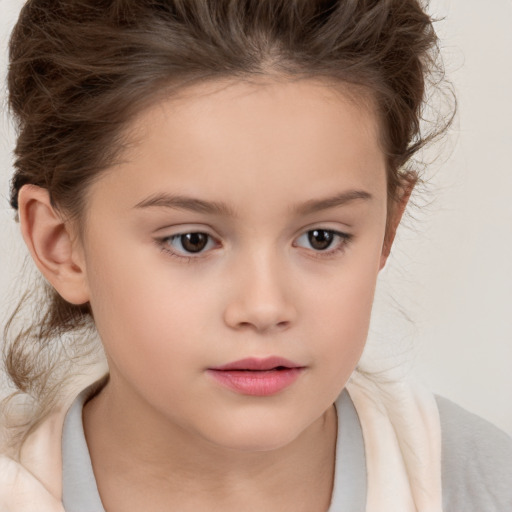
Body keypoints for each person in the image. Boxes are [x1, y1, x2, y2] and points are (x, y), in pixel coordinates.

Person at [0, 1, 511, 511]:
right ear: (61, 245)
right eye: (191, 241)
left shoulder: (486, 487)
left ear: (387, 229)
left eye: (320, 237)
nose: (264, 308)